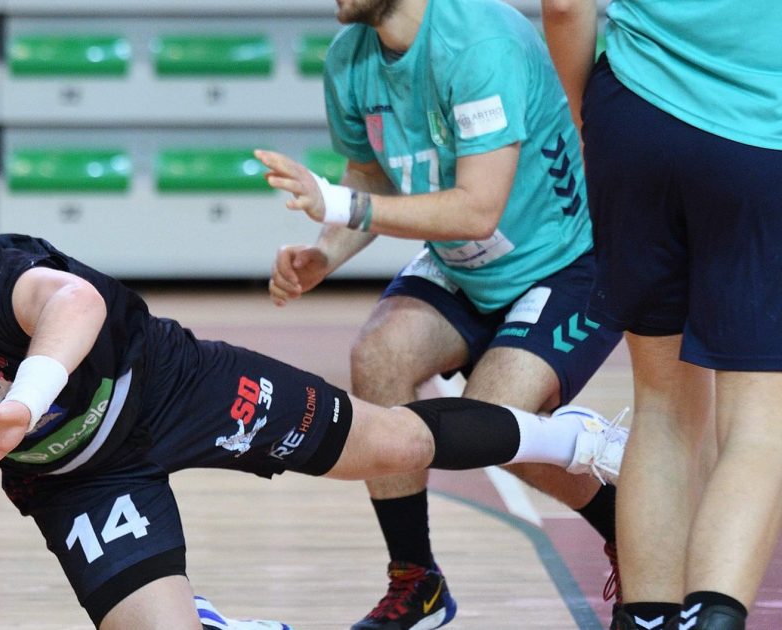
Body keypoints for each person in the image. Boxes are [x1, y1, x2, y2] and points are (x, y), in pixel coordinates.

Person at [0, 229, 626, 628]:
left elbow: (75, 304)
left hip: (174, 387)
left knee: (400, 445)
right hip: (78, 480)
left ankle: (572, 442)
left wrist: (25, 399)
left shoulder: (3, 274)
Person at [254, 0, 625, 628]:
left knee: (491, 426)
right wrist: (324, 255)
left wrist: (339, 204)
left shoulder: (481, 42)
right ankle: (416, 582)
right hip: (462, 265)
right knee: (379, 355)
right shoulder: (349, 60)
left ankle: (628, 525)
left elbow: (476, 210)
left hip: (566, 264)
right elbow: (369, 175)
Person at [540, 1, 782, 629]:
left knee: (662, 405)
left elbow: (563, 7)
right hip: (761, 135)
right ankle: (713, 618)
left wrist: (592, 116)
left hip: (634, 119)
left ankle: (645, 619)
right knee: (759, 421)